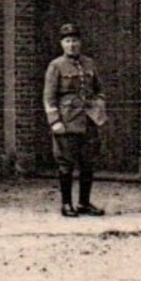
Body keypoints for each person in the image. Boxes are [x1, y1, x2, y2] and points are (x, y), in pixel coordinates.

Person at [43, 22, 106, 217]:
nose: (72, 45)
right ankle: (66, 204)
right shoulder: (56, 66)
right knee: (66, 164)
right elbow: (48, 96)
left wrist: (98, 108)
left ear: (80, 42)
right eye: (68, 41)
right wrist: (55, 121)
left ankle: (84, 203)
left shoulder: (89, 63)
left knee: (87, 163)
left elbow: (98, 89)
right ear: (62, 44)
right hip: (67, 121)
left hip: (88, 121)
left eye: (75, 41)